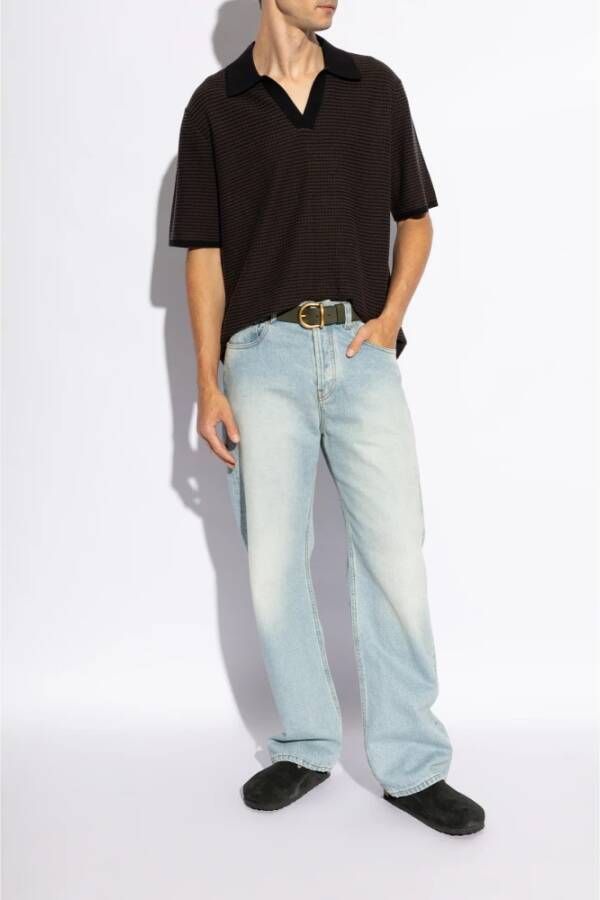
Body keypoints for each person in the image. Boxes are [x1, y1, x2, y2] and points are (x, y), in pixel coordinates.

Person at [168, 0, 485, 835]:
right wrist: (207, 383)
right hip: (261, 355)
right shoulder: (216, 106)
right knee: (274, 561)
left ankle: (412, 766)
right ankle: (308, 743)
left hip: (359, 348)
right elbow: (205, 254)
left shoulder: (374, 88)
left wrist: (389, 321)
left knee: (396, 553)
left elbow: (415, 219)